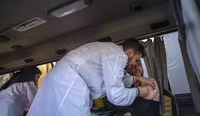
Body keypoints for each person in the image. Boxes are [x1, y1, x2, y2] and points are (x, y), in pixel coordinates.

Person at [27, 38, 156, 116]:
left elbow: (112, 80)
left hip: (59, 81)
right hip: (69, 84)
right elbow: (116, 95)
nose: (134, 64)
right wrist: (139, 91)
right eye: (136, 59)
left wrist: (137, 79)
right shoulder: (118, 55)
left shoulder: (110, 52)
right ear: (130, 53)